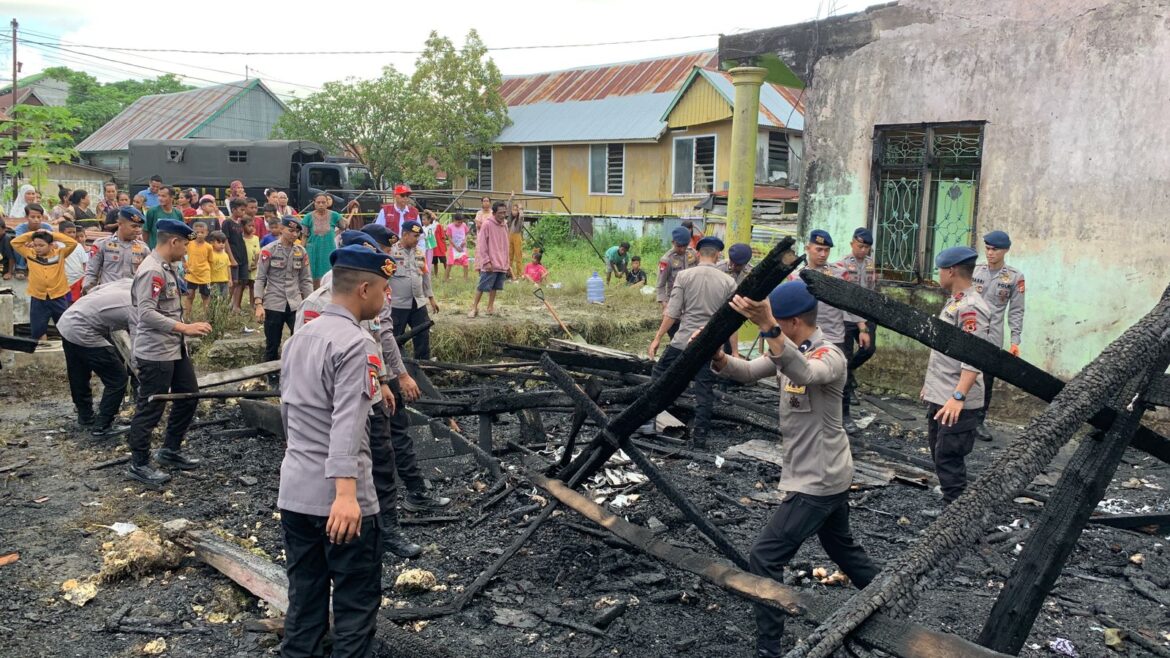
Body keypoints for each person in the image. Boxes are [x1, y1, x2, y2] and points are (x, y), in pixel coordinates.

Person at [712, 280, 879, 657]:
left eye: (775, 323)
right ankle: (888, 599)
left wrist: (769, 328)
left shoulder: (830, 355)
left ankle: (769, 648)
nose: (766, 330)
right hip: (823, 475)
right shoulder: (787, 349)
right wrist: (720, 359)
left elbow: (805, 373)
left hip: (819, 481)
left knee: (765, 557)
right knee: (842, 549)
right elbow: (749, 371)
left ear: (793, 322)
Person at [277, 245, 404, 656]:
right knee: (354, 607)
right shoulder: (357, 344)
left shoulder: (300, 337)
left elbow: (287, 413)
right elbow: (348, 423)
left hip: (296, 490)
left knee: (305, 601)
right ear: (364, 289)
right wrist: (346, 496)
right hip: (342, 502)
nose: (387, 299)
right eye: (384, 290)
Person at [125, 219, 212, 488]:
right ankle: (138, 463)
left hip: (174, 348)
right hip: (156, 352)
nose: (187, 249)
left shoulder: (167, 267)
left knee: (189, 395)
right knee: (151, 406)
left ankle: (170, 450)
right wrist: (184, 327)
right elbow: (146, 314)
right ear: (174, 241)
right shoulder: (152, 271)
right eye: (185, 244)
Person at [921, 246, 993, 507]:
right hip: (942, 394)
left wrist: (958, 396)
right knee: (939, 453)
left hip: (957, 399)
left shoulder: (972, 307)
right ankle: (952, 510)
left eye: (940, 269)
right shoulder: (956, 301)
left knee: (949, 458)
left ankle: (957, 520)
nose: (938, 274)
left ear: (951, 271)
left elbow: (973, 358)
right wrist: (930, 389)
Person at [648, 236, 736, 447]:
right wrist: (733, 350)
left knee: (660, 376)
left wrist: (658, 338)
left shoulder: (685, 276)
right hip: (710, 345)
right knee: (704, 388)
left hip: (683, 340)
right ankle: (700, 437)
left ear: (698, 254)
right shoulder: (728, 282)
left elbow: (673, 312)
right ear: (717, 256)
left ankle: (648, 420)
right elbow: (731, 322)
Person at [789, 230, 851, 424]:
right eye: (819, 249)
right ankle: (805, 415)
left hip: (834, 335)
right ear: (808, 248)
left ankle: (844, 416)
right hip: (807, 338)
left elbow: (850, 303)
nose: (823, 254)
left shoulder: (838, 274)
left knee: (841, 377)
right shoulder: (796, 277)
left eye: (826, 250)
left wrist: (862, 328)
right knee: (803, 378)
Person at [57, 278, 133, 437]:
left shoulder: (128, 282)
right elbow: (140, 341)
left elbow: (91, 291)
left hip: (67, 320)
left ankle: (85, 417)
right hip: (84, 329)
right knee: (118, 379)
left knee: (79, 373)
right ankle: (102, 426)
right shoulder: (138, 306)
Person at [971, 230, 1025, 442]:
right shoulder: (975, 271)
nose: (990, 253)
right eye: (988, 248)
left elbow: (1017, 310)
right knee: (960, 372)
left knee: (986, 378)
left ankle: (978, 421)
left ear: (1006, 251)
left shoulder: (1014, 277)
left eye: (995, 249)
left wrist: (1015, 341)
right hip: (969, 329)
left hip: (992, 334)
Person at [254, 217, 313, 368]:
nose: (294, 234)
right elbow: (260, 279)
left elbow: (306, 280)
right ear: (281, 229)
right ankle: (270, 376)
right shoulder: (269, 250)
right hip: (274, 303)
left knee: (301, 340)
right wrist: (258, 303)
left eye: (297, 231)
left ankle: (297, 373)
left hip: (295, 304)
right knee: (272, 344)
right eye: (291, 230)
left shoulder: (301, 251)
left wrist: (310, 304)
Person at [11, 213, 78, 341]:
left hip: (58, 296)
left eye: (41, 245)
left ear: (51, 245)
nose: (37, 248)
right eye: (35, 245)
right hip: (38, 298)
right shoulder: (30, 254)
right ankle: (40, 354)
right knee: (37, 330)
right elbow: (15, 242)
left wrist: (51, 234)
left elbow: (72, 243)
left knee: (66, 327)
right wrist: (33, 235)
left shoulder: (60, 253)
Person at [837, 228, 877, 434]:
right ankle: (845, 415)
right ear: (852, 243)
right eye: (860, 246)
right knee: (843, 361)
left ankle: (851, 375)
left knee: (869, 350)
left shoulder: (871, 264)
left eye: (867, 247)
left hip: (865, 315)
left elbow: (872, 290)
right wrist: (860, 324)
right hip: (846, 317)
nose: (863, 250)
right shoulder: (842, 265)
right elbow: (845, 298)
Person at [389, 220, 438, 360]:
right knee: (396, 336)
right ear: (405, 235)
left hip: (418, 302)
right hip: (398, 303)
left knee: (423, 332)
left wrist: (431, 297)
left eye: (419, 236)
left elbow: (425, 275)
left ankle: (423, 363)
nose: (418, 239)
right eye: (415, 236)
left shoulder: (419, 252)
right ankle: (396, 365)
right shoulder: (392, 251)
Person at [85, 206, 148, 292]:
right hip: (107, 295)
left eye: (140, 227)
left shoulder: (143, 248)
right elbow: (91, 273)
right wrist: (88, 293)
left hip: (131, 298)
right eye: (134, 226)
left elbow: (147, 276)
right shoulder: (102, 244)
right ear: (120, 224)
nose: (138, 230)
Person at [468, 201, 510, 318]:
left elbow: (506, 244)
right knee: (482, 286)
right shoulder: (487, 224)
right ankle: (474, 307)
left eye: (504, 213)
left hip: (501, 262)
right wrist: (486, 261)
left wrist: (507, 262)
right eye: (500, 213)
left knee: (495, 286)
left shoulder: (504, 225)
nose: (503, 215)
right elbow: (482, 244)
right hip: (490, 262)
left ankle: (490, 307)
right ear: (494, 213)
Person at [656, 226, 699, 335]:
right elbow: (660, 286)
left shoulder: (692, 254)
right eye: (679, 246)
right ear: (673, 242)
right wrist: (666, 306)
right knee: (675, 337)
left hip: (692, 303)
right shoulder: (666, 260)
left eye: (685, 246)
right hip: (675, 304)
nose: (682, 249)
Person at [302, 193, 352, 286]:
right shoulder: (308, 217)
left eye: (323, 202)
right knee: (311, 273)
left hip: (328, 248)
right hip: (313, 250)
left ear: (327, 203)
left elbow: (344, 226)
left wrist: (335, 233)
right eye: (318, 202)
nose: (321, 204)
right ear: (314, 203)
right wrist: (302, 250)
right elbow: (304, 236)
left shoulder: (334, 215)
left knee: (328, 272)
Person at [222, 199, 251, 312]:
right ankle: (225, 305)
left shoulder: (240, 223)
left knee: (242, 281)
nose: (243, 212)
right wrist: (231, 258)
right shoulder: (227, 222)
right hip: (233, 256)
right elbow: (225, 241)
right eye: (241, 210)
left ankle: (236, 306)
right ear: (233, 209)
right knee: (233, 282)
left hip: (242, 255)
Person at [184, 222, 214, 316]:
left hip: (204, 274)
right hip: (191, 273)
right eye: (197, 232)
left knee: (205, 296)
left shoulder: (209, 247)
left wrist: (211, 276)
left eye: (202, 232)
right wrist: (184, 263)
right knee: (189, 295)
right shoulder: (189, 243)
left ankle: (207, 317)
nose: (200, 234)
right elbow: (182, 245)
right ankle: (187, 316)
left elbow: (210, 261)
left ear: (207, 233)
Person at [57, 221, 90, 301]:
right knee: (66, 302)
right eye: (69, 232)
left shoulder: (78, 246)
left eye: (73, 232)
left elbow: (84, 263)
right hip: (64, 281)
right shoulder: (57, 245)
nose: (72, 234)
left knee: (76, 302)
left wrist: (85, 278)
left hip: (78, 280)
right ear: (61, 233)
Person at [445, 213, 470, 281]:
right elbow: (449, 238)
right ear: (454, 220)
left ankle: (465, 278)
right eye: (458, 222)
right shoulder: (450, 227)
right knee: (449, 263)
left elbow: (466, 233)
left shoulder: (464, 225)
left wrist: (465, 240)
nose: (460, 224)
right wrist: (456, 247)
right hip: (453, 248)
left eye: (461, 222)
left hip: (462, 247)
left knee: (465, 263)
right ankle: (446, 278)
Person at [243, 218, 261, 306]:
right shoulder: (241, 239)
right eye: (249, 226)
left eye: (253, 226)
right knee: (241, 285)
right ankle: (235, 303)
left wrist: (256, 264)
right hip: (243, 265)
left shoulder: (256, 238)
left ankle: (252, 304)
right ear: (242, 227)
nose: (251, 228)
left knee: (253, 285)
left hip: (254, 265)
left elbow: (257, 252)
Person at [208, 231, 232, 299]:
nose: (221, 244)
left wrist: (230, 279)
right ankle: (213, 309)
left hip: (224, 281)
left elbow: (228, 267)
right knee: (214, 298)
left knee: (224, 297)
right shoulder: (210, 254)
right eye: (219, 242)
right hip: (214, 281)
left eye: (223, 242)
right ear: (212, 243)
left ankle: (222, 309)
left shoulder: (226, 255)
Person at [507, 201, 525, 279]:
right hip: (509, 237)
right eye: (513, 210)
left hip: (517, 237)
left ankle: (519, 274)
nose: (514, 211)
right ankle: (509, 273)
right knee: (509, 256)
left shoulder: (519, 219)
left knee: (518, 256)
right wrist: (511, 198)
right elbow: (508, 208)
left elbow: (521, 215)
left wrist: (520, 208)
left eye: (516, 210)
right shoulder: (510, 219)